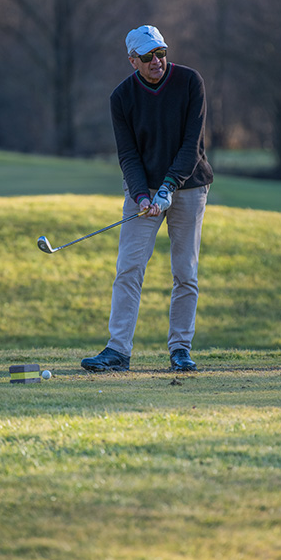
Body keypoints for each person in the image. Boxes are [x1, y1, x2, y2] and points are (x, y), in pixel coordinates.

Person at [81, 25, 214, 373]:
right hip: (144, 189)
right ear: (132, 61)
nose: (157, 61)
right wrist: (142, 196)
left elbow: (192, 146)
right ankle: (117, 350)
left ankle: (180, 349)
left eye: (161, 53)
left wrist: (168, 188)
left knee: (185, 272)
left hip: (189, 185)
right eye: (148, 56)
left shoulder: (190, 82)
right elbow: (128, 155)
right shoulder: (121, 98)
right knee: (128, 268)